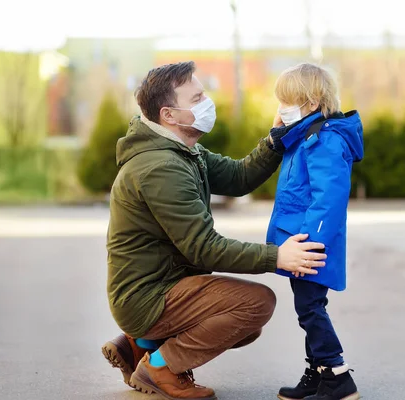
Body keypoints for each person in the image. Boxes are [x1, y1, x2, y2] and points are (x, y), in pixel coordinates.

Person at [102, 61, 328, 400]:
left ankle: (140, 345)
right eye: (197, 98)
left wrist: (274, 141)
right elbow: (204, 248)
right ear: (169, 114)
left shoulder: (182, 151)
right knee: (255, 305)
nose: (208, 102)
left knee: (242, 325)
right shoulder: (161, 167)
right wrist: (277, 256)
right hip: (146, 297)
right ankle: (160, 365)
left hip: (158, 286)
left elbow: (238, 178)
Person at [265, 63, 364, 400]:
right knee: (307, 307)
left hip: (309, 245)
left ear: (313, 101)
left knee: (310, 309)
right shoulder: (304, 137)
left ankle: (336, 376)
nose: (281, 108)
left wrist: (311, 244)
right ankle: (318, 373)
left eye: (288, 100)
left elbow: (330, 199)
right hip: (301, 244)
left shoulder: (324, 140)